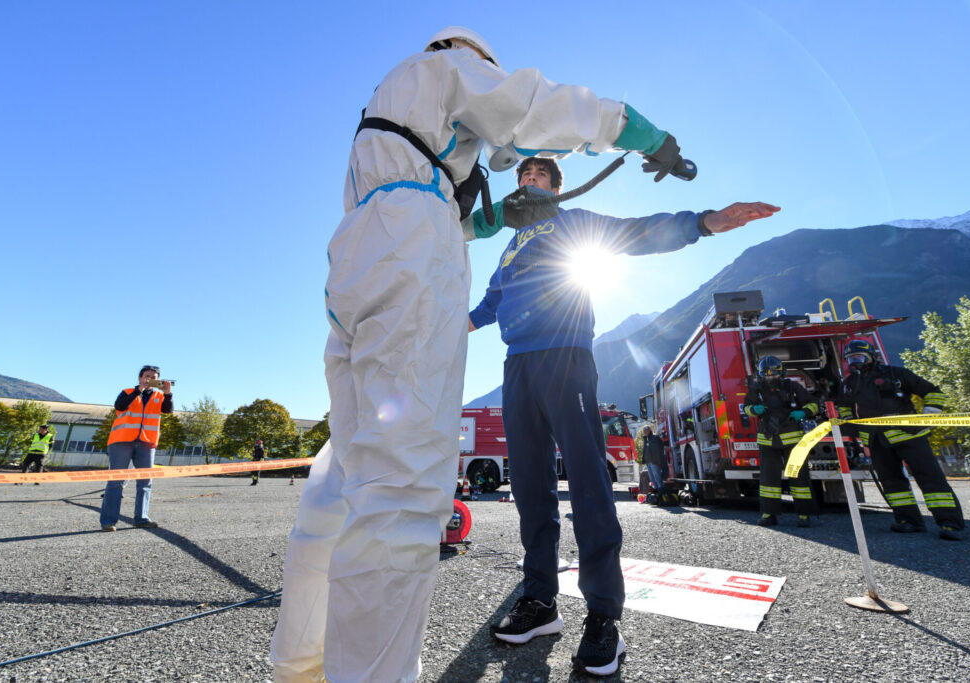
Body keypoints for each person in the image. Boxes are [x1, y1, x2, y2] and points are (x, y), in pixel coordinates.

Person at [271, 25, 712, 683]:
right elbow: (531, 105)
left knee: (351, 463)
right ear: (474, 58)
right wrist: (638, 131)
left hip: (361, 258)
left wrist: (697, 223)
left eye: (535, 170)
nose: (515, 166)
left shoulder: (394, 112)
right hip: (420, 268)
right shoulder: (452, 70)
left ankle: (301, 662)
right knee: (403, 483)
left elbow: (613, 233)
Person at [469, 156, 779, 676]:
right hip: (516, 366)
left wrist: (703, 222)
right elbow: (489, 303)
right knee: (529, 487)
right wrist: (446, 326)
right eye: (522, 176)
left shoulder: (572, 222)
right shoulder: (510, 244)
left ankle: (602, 619)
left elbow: (636, 233)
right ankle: (540, 601)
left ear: (555, 186)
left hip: (566, 355)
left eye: (537, 176)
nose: (527, 181)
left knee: (589, 485)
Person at [838, 339, 965, 540]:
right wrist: (851, 424)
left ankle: (950, 523)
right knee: (892, 482)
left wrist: (928, 416)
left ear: (871, 357)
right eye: (851, 359)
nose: (855, 362)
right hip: (877, 440)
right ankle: (908, 521)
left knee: (930, 478)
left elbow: (933, 392)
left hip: (909, 435)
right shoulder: (851, 384)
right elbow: (843, 406)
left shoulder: (896, 374)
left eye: (859, 357)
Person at [743, 356, 818, 528]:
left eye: (774, 373)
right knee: (768, 479)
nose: (771, 377)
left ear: (781, 372)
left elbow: (813, 403)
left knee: (799, 477)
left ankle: (804, 514)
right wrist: (754, 409)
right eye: (767, 374)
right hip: (768, 439)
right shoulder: (756, 389)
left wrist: (804, 412)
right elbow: (746, 407)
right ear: (761, 375)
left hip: (793, 440)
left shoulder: (793, 387)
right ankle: (769, 514)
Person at [99, 365, 173, 531]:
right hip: (121, 441)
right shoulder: (127, 392)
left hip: (146, 443)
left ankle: (141, 518)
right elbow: (120, 406)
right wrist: (138, 391)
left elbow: (168, 410)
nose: (149, 379)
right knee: (116, 481)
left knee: (146, 482)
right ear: (140, 378)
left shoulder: (160, 396)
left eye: (153, 377)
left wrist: (168, 394)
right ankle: (108, 521)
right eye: (147, 376)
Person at [639, 426, 663, 495]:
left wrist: (657, 459)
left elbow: (660, 448)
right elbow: (645, 450)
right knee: (652, 477)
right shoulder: (645, 439)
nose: (645, 432)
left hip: (654, 461)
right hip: (648, 461)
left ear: (649, 430)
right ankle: (655, 488)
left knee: (656, 475)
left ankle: (660, 488)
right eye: (644, 431)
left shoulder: (655, 438)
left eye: (646, 430)